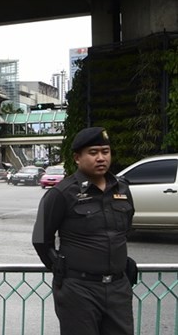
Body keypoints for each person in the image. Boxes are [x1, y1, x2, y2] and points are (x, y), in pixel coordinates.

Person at [32, 127, 136, 335]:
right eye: (93, 152)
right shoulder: (61, 193)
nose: (101, 158)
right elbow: (41, 239)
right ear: (77, 158)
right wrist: (60, 269)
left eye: (105, 152)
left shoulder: (122, 190)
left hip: (117, 289)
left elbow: (124, 230)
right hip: (79, 291)